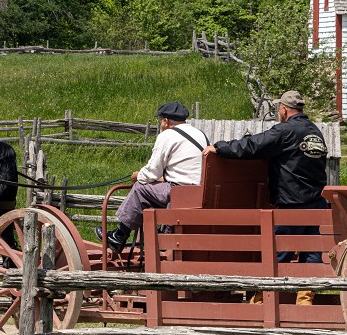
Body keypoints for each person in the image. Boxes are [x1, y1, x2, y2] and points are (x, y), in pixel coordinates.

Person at [204, 90, 328, 305]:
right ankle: (305, 303)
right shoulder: (315, 132)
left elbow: (252, 146)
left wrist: (219, 147)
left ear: (284, 109)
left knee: (279, 253)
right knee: (311, 254)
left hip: (292, 202)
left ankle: (261, 301)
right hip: (315, 202)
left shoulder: (285, 131)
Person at [102, 101, 206, 253]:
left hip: (178, 193)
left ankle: (119, 236)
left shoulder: (168, 135)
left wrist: (138, 176)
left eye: (160, 121)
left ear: (165, 121)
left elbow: (152, 172)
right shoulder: (200, 134)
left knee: (140, 188)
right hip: (197, 193)